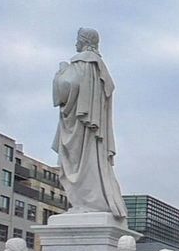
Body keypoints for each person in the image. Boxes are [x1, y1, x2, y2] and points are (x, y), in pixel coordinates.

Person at [51, 27, 127, 217]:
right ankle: (92, 201)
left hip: (81, 125)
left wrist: (60, 73)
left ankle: (89, 202)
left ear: (83, 40)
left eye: (77, 39)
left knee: (81, 162)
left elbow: (69, 86)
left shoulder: (82, 63)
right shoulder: (98, 67)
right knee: (91, 161)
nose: (75, 43)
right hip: (90, 126)